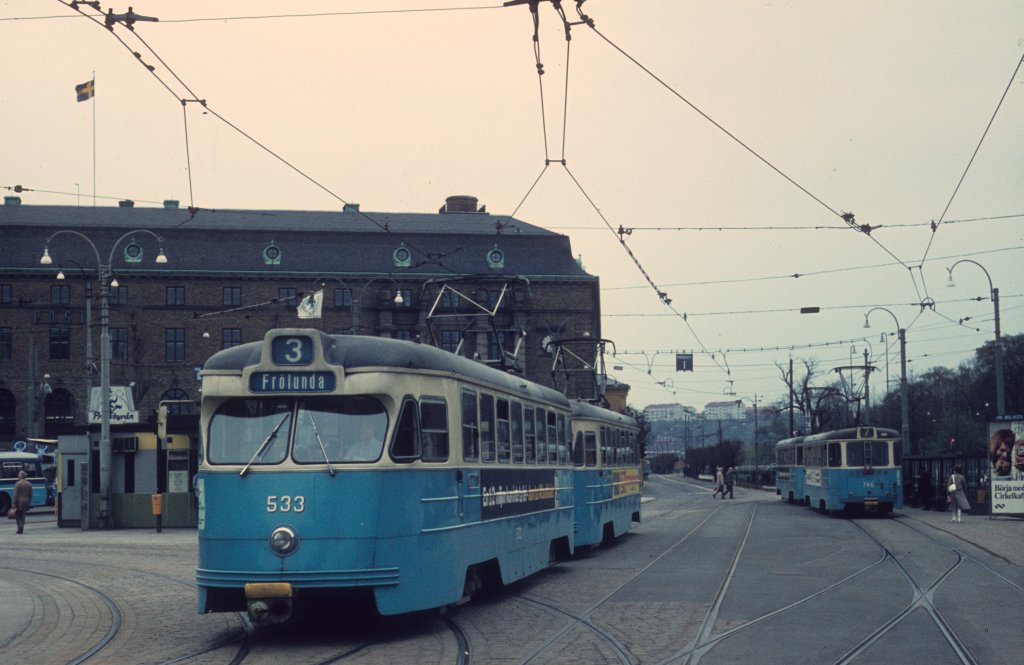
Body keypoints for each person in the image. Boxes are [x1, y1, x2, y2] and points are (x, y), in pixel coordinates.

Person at [12, 470, 33, 535]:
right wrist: (29, 502)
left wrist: (13, 503)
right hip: (26, 501)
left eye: (18, 475)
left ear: (21, 476)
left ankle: (20, 528)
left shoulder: (18, 484)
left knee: (18, 515)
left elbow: (15, 495)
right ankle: (22, 527)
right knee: (23, 515)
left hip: (19, 502)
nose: (18, 476)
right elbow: (30, 495)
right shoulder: (29, 484)